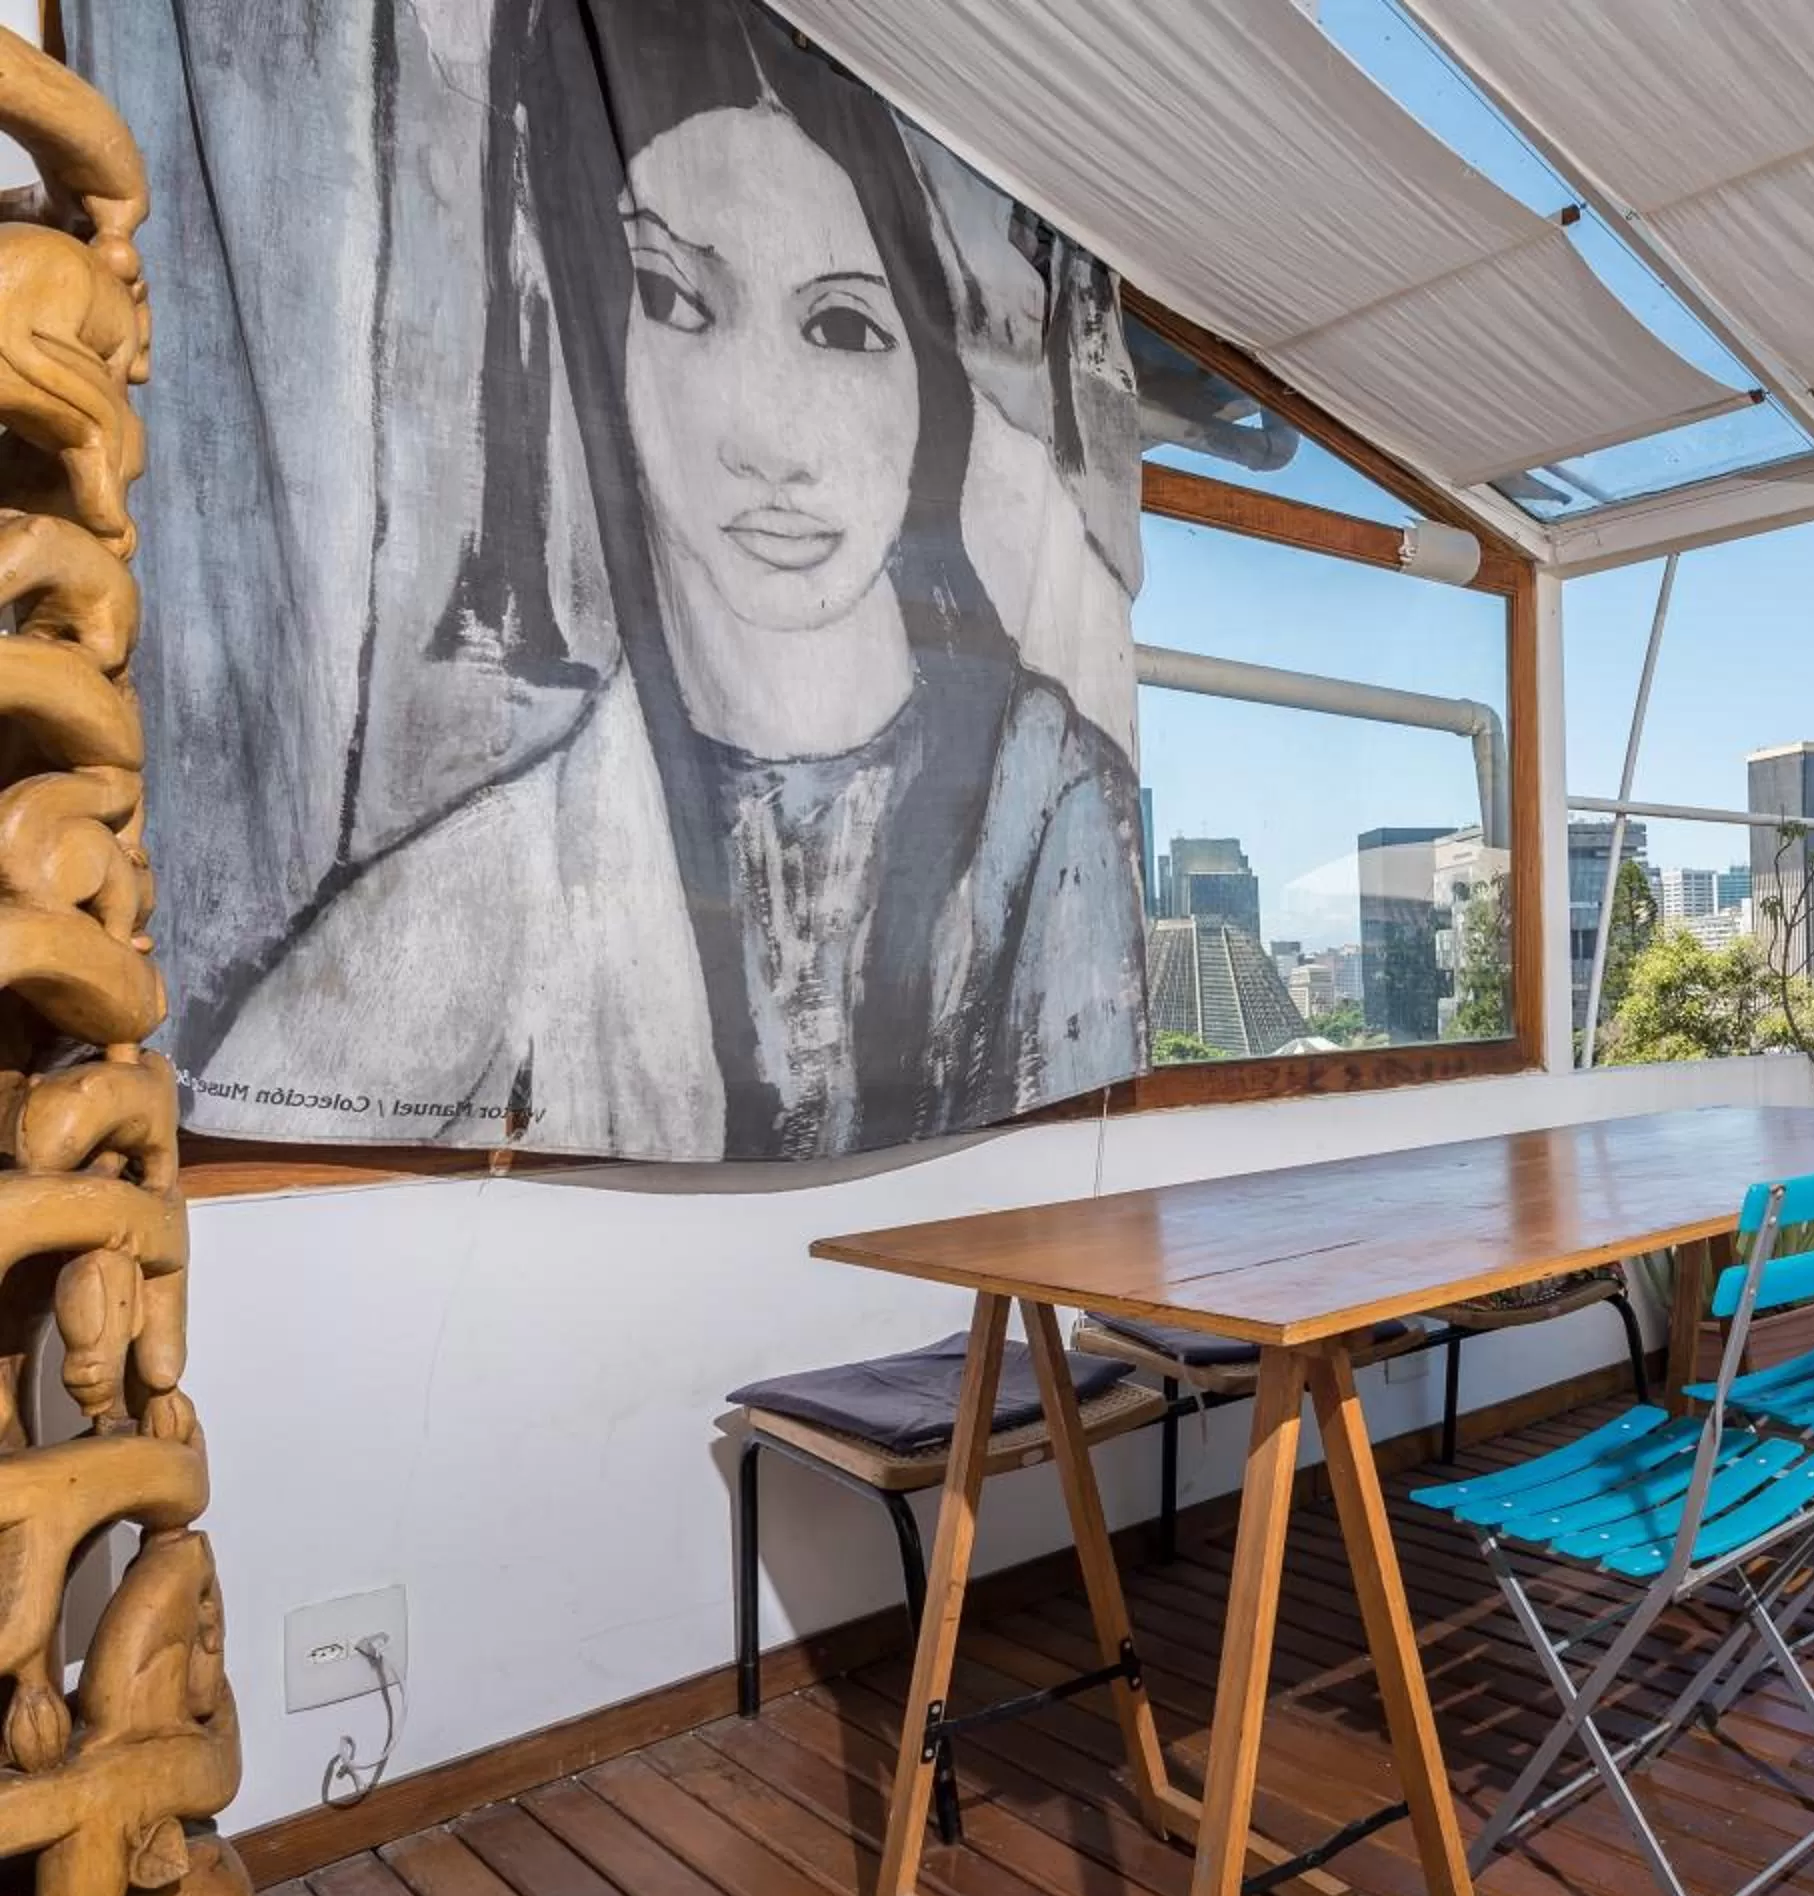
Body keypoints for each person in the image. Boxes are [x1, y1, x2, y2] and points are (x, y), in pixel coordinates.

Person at [199, 0, 1145, 1160]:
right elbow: (240, 1105)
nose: (769, 441)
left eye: (843, 328)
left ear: (930, 393)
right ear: (600, 347)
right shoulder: (508, 871)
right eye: (674, 300)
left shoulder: (1050, 806)